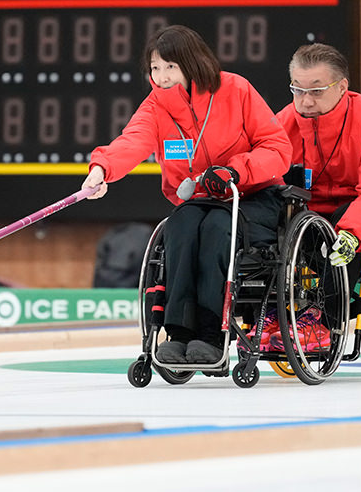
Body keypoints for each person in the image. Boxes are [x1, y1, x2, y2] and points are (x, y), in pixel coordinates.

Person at [81, 25, 291, 363]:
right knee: (179, 227)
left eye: (170, 67)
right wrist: (102, 169)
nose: (162, 77)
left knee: (215, 231)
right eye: (155, 68)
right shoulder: (155, 107)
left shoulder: (236, 89)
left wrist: (236, 170)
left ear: (191, 63)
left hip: (251, 195)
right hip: (199, 200)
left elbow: (277, 147)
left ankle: (211, 334)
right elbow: (132, 141)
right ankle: (179, 333)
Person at [268, 43, 361, 351]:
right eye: (297, 90)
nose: (305, 101)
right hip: (309, 212)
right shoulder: (283, 123)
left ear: (342, 87)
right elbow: (268, 182)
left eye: (317, 91)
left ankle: (324, 324)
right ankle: (271, 314)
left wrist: (351, 234)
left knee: (338, 234)